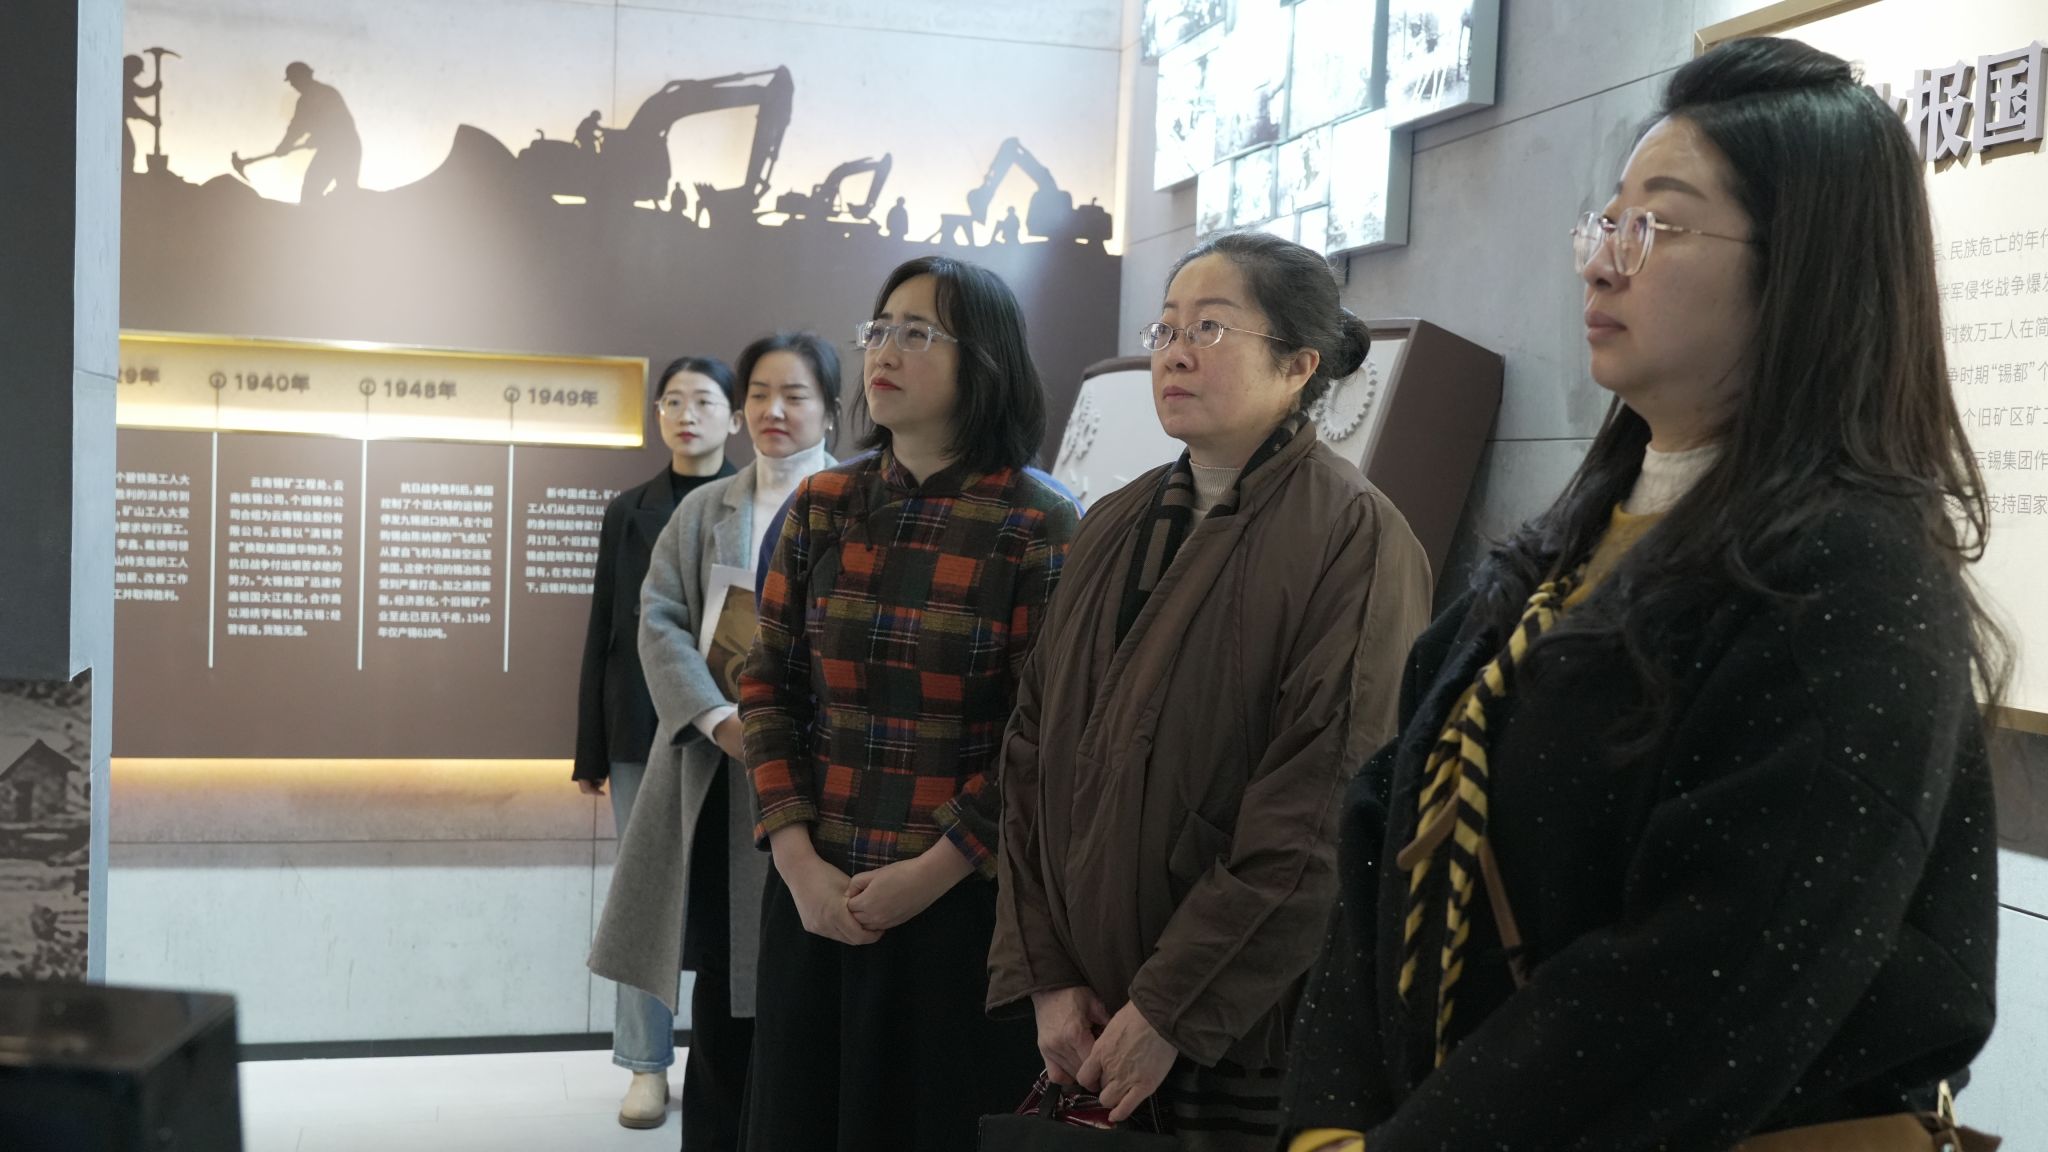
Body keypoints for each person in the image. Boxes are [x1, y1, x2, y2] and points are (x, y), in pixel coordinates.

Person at [1282, 37, 2007, 1152]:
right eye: (1605, 221)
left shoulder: (1850, 581)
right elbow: (1382, 830)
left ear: (1802, 266)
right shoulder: (1561, 550)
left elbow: (1695, 984)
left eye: (1656, 225)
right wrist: (1327, 1124)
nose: (1599, 263)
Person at [987, 231, 1432, 1148]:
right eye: (1167, 328)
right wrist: (1047, 976)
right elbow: (1030, 752)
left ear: (1299, 365)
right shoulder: (1112, 523)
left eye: (1211, 328)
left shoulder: (1356, 538)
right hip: (1084, 1019)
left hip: (1243, 1030)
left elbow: (1320, 808)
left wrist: (1169, 1010)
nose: (1175, 352)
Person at [739, 256, 1079, 1150]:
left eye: (918, 332)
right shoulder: (822, 504)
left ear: (986, 360)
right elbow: (767, 684)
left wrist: (931, 873)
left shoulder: (1040, 521)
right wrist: (797, 861)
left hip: (959, 907)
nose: (884, 351)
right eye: (879, 329)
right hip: (815, 895)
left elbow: (1042, 734)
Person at [589, 332, 840, 1146]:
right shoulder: (706, 510)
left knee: (809, 984)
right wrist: (716, 718)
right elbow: (656, 617)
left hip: (830, 781)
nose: (774, 410)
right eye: (760, 394)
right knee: (729, 987)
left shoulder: (861, 503)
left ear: (831, 409)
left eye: (795, 395)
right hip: (723, 775)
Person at [575, 355, 740, 1128]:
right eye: (671, 401)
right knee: (646, 900)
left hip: (732, 731)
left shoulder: (755, 501)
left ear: (732, 416)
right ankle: (645, 1065)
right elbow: (606, 629)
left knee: (731, 902)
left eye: (703, 400)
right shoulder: (628, 510)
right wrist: (590, 747)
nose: (685, 414)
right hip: (642, 729)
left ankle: (732, 1061)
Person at [276, 62, 361, 201]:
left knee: (330, 194)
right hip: (337, 149)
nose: (292, 84)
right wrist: (286, 144)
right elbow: (298, 127)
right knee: (316, 193)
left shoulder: (322, 95)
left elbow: (337, 124)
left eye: (293, 80)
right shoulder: (311, 98)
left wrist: (287, 145)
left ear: (302, 77)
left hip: (343, 149)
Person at [123, 55, 160, 177]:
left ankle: (126, 174)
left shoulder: (124, 80)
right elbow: (131, 107)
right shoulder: (123, 80)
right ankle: (126, 176)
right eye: (137, 71)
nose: (138, 74)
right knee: (127, 148)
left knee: (128, 148)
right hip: (116, 123)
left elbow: (140, 93)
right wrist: (150, 119)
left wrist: (154, 89)